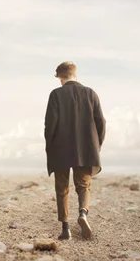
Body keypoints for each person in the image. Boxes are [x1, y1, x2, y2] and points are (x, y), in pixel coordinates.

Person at [44, 61, 106, 240]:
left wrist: (49, 145)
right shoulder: (90, 93)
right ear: (75, 74)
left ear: (60, 77)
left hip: (60, 148)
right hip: (86, 148)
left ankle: (65, 229)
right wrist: (97, 145)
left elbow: (50, 124)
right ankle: (82, 214)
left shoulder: (56, 94)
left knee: (62, 188)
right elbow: (101, 122)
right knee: (83, 185)